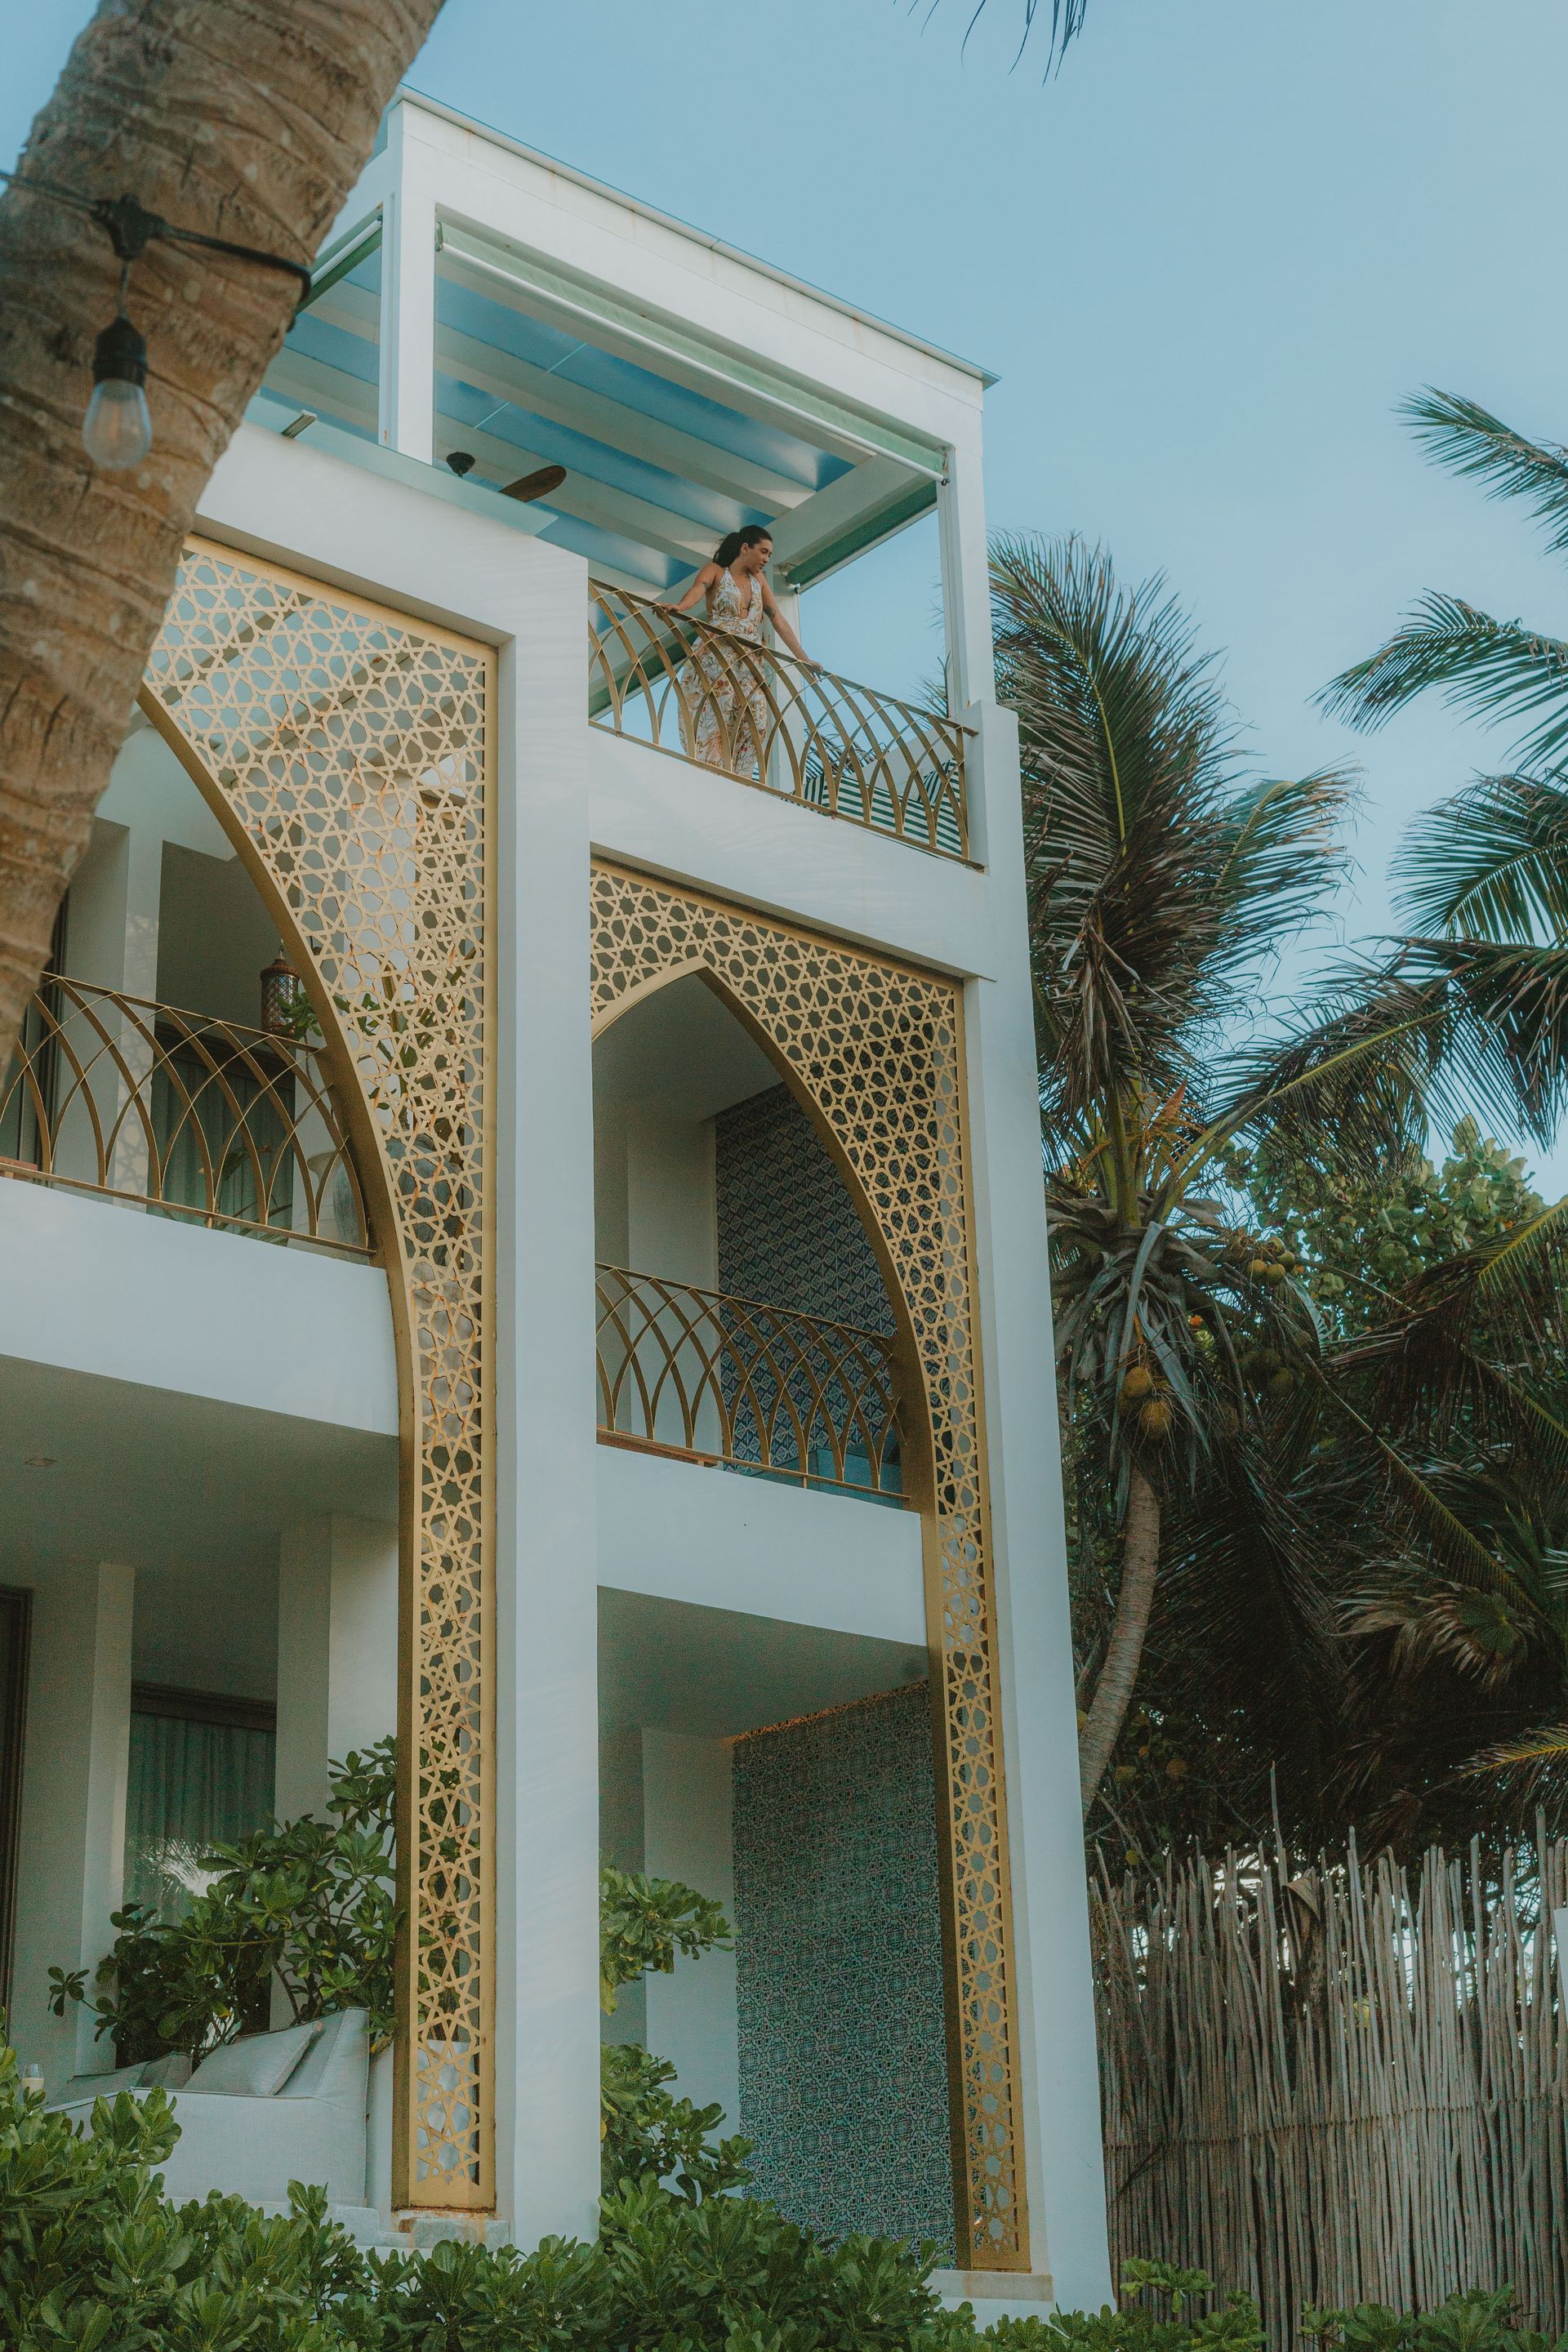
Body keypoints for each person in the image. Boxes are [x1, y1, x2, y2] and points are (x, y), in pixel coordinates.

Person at [661, 526, 817, 777]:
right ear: (745, 548)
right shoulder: (716, 571)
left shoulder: (759, 581)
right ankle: (710, 771)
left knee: (755, 717)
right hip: (718, 654)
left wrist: (803, 657)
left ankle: (739, 775)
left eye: (769, 554)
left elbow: (777, 618)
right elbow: (698, 589)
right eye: (763, 552)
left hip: (749, 659)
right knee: (717, 712)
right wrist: (681, 606)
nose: (766, 559)